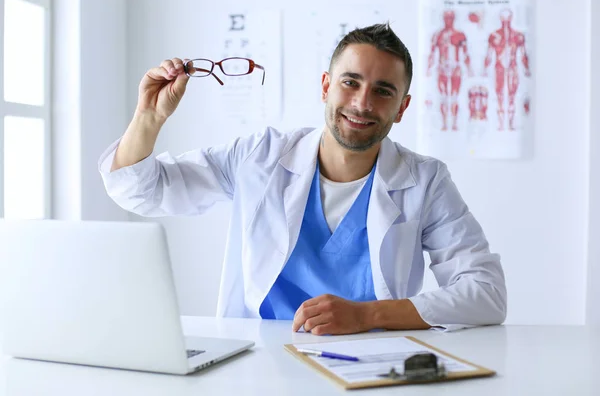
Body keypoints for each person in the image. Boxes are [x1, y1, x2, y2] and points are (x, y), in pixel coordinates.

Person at [99, 23, 507, 335]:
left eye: (383, 91)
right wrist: (149, 118)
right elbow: (140, 191)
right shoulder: (260, 157)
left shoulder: (425, 181)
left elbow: (487, 292)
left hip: (373, 362)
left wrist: (367, 315)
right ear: (326, 86)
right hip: (257, 360)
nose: (362, 103)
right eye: (350, 82)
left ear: (402, 108)